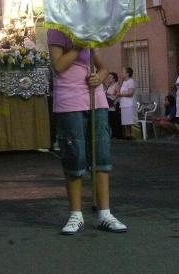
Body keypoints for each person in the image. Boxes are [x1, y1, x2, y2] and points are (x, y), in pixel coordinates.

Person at [47, 29, 127, 235]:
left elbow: (103, 67)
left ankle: (105, 214)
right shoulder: (56, 30)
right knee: (75, 155)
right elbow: (58, 66)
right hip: (68, 100)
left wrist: (99, 77)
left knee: (101, 155)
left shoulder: (90, 30)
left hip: (95, 99)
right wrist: (78, 45)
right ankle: (76, 214)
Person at [118, 67, 138, 139]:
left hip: (129, 104)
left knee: (131, 120)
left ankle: (133, 135)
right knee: (126, 121)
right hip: (124, 104)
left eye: (123, 72)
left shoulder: (131, 81)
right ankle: (127, 135)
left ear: (128, 74)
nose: (122, 74)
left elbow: (130, 93)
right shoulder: (124, 82)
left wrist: (120, 94)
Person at [104, 72, 121, 139]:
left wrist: (112, 97)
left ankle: (116, 134)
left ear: (114, 78)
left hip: (114, 104)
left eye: (110, 77)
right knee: (110, 120)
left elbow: (118, 94)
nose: (109, 78)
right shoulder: (109, 85)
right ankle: (112, 134)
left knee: (115, 120)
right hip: (108, 105)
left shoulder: (116, 85)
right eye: (108, 77)